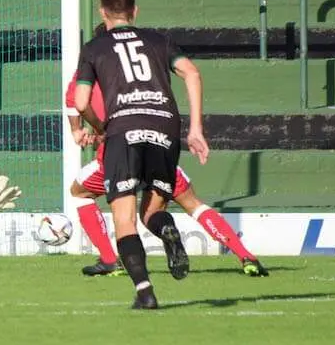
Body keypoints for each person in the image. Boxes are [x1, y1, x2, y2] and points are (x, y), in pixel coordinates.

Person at [65, 34, 268, 277]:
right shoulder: (146, 65)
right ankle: (246, 256)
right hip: (159, 148)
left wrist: (81, 131)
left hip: (118, 156)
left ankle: (112, 260)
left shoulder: (91, 69)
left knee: (80, 193)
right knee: (189, 206)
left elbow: (77, 104)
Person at [74, 0, 210, 310]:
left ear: (102, 12)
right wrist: (195, 129)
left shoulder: (94, 47)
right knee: (154, 211)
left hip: (124, 129)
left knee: (125, 217)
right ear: (135, 12)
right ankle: (169, 232)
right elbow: (191, 72)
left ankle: (145, 291)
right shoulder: (159, 41)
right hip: (165, 125)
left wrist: (99, 127)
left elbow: (80, 102)